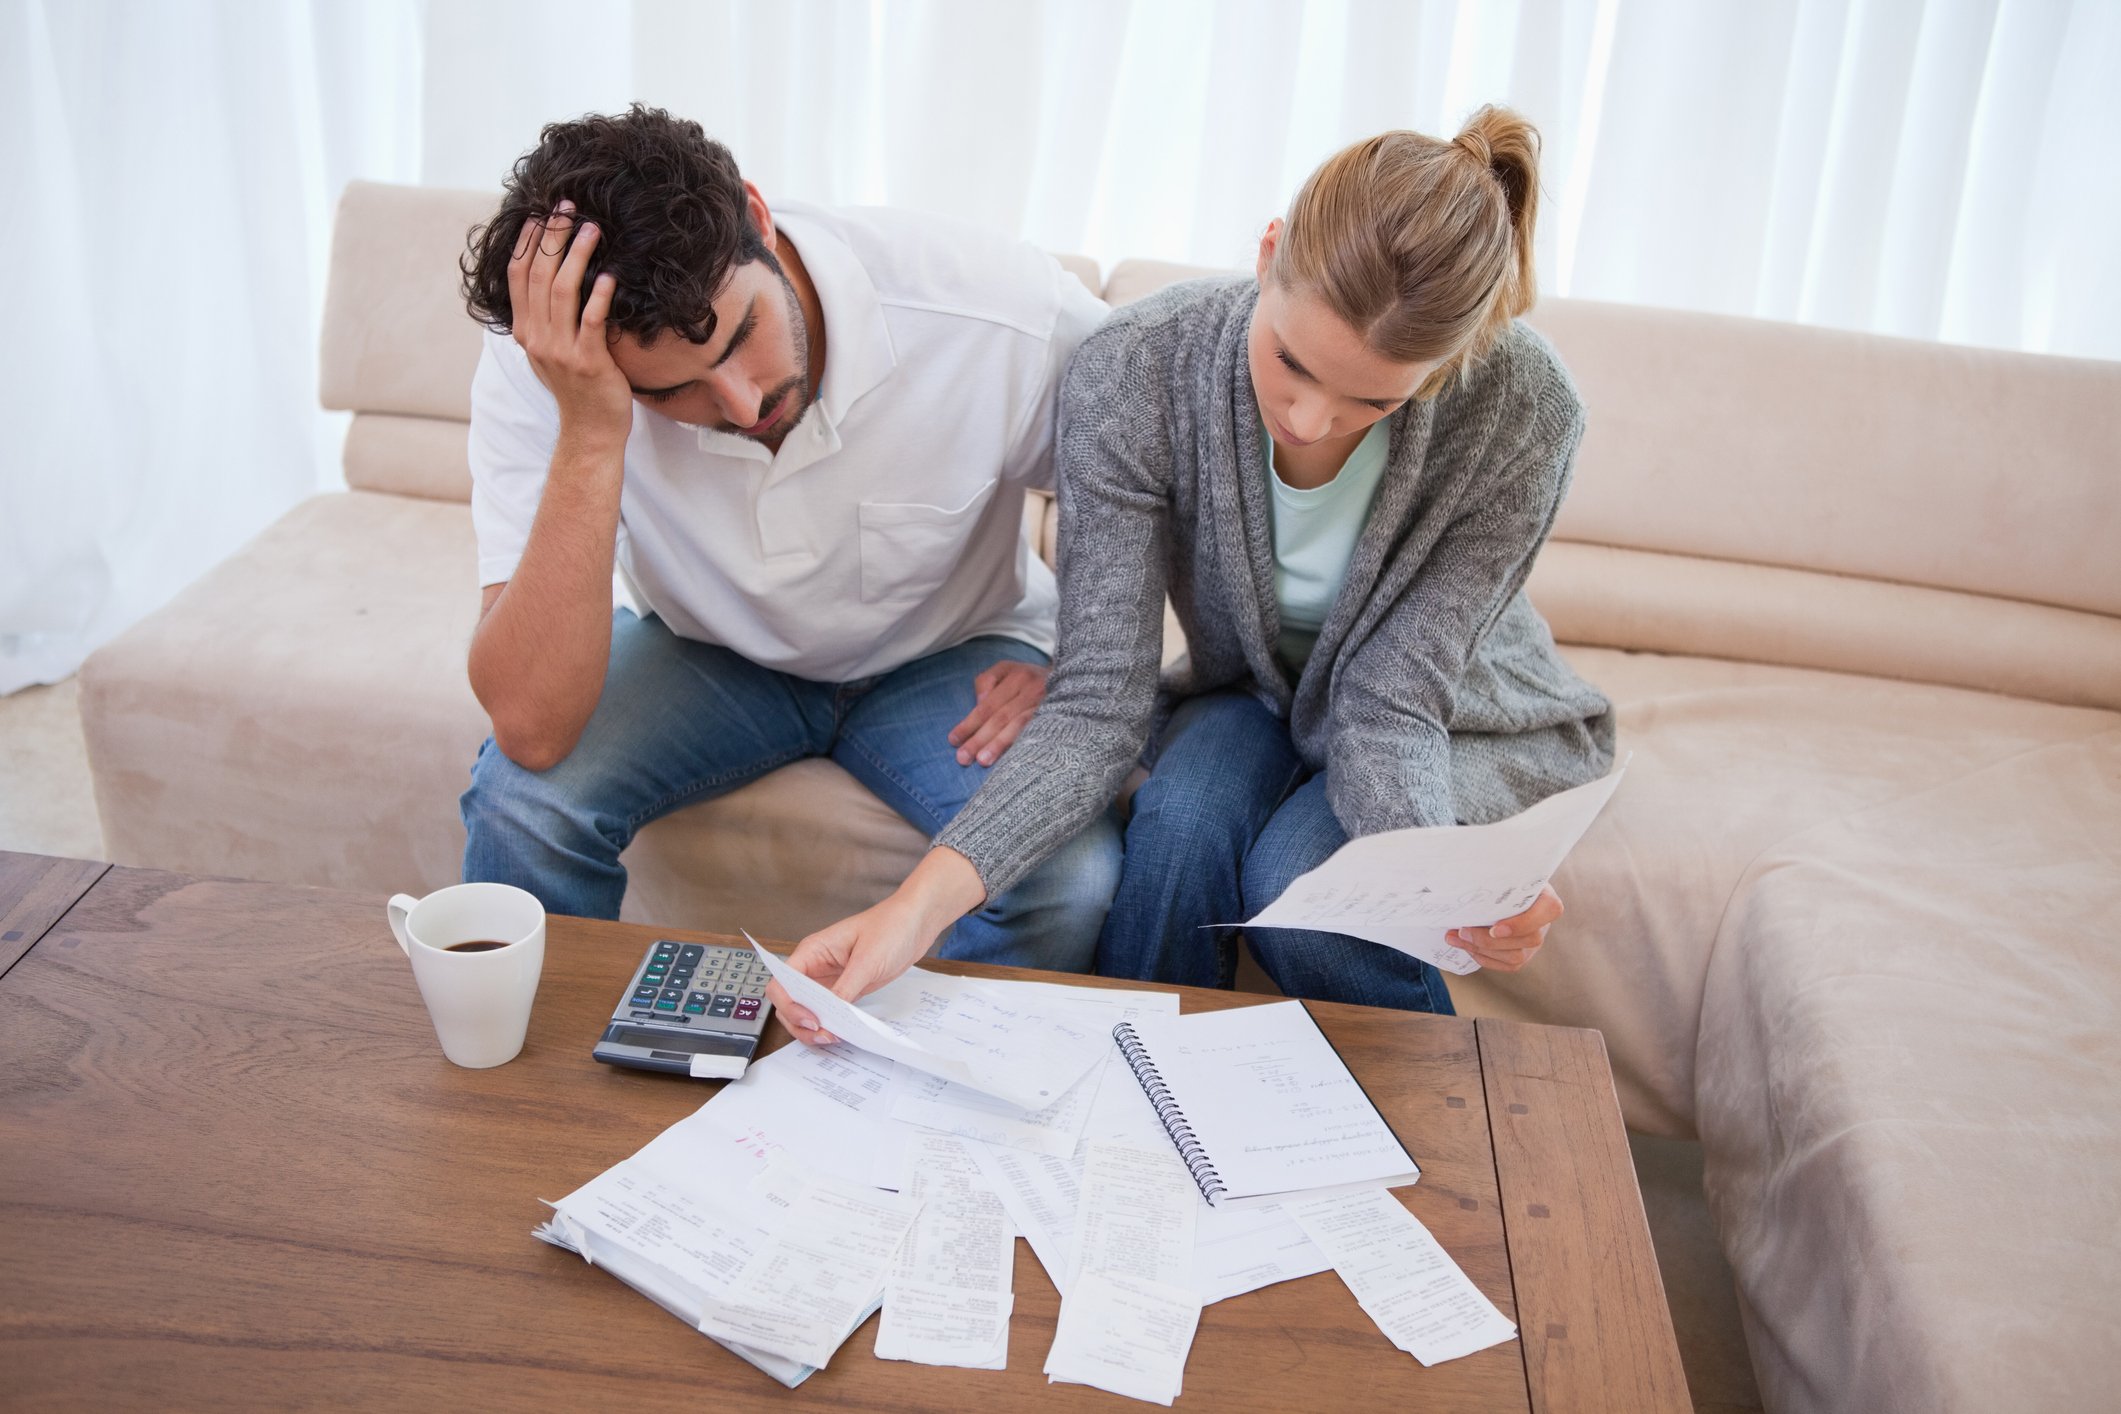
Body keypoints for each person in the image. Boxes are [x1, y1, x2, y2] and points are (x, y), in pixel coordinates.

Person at [771, 107, 1615, 1040]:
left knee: (1302, 892)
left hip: (1452, 718)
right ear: (1267, 253)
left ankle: (1459, 1149)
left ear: (1448, 362)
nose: (1307, 416)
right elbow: (1099, 705)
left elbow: (1390, 701)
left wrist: (1441, 887)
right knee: (1175, 832)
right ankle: (1136, 1119)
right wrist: (910, 914)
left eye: (1371, 400)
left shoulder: (1526, 409)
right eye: (1289, 360)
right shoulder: (1134, 369)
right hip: (1252, 694)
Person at [454, 105, 1120, 970]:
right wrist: (590, 429)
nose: (740, 404)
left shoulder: (1000, 313)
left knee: (1065, 874)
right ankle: (551, 1100)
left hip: (950, 653)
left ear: (759, 218)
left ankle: (946, 1101)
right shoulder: (547, 362)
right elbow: (532, 729)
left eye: (740, 336)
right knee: (522, 805)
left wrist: (1082, 669)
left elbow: (1170, 490)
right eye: (671, 392)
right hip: (709, 654)